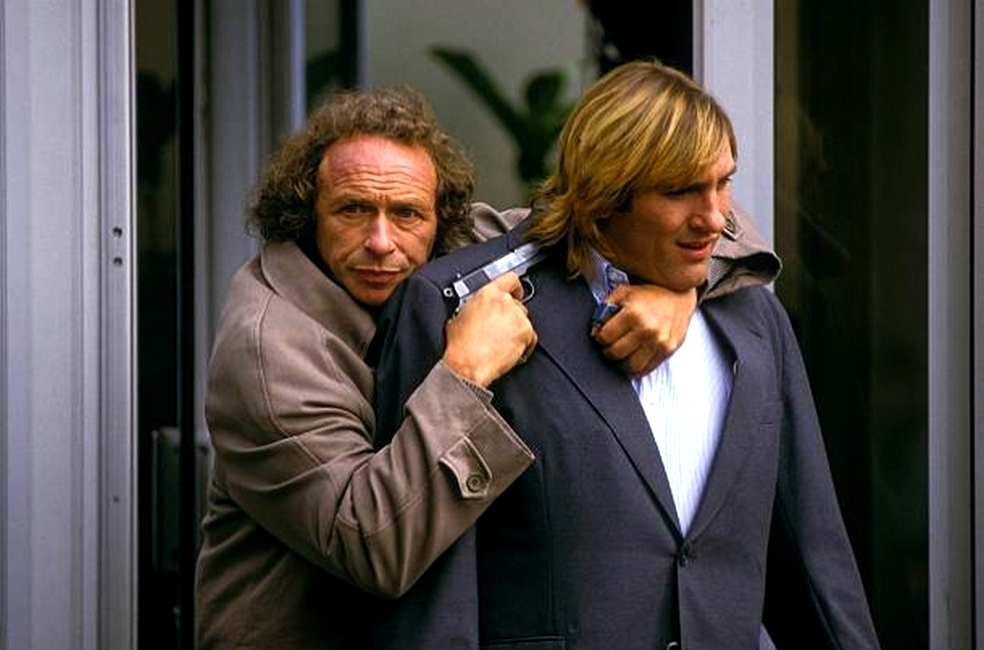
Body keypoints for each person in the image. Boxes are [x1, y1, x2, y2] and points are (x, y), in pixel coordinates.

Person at [371, 61, 880, 649]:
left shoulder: (755, 321)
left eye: (722, 183)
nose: (716, 218)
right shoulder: (463, 309)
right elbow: (432, 599)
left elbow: (816, 566)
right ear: (604, 197)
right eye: (680, 191)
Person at [195, 85, 725, 649]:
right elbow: (372, 544)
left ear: (442, 219)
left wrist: (680, 291)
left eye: (406, 214)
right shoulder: (267, 348)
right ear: (306, 215)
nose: (382, 242)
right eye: (353, 210)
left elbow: (667, 226)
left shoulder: (458, 249)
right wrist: (466, 373)